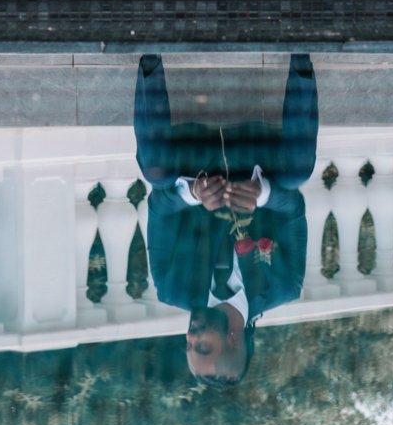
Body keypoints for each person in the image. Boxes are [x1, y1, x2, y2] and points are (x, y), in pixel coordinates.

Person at [134, 54, 319, 388]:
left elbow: (159, 208)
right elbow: (293, 210)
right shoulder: (283, 286)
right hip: (254, 158)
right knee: (297, 173)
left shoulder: (169, 287)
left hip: (195, 159)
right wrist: (262, 194)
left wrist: (192, 192)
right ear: (233, 340)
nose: (191, 336)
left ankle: (149, 55)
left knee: (155, 173)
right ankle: (302, 53)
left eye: (188, 345)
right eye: (202, 345)